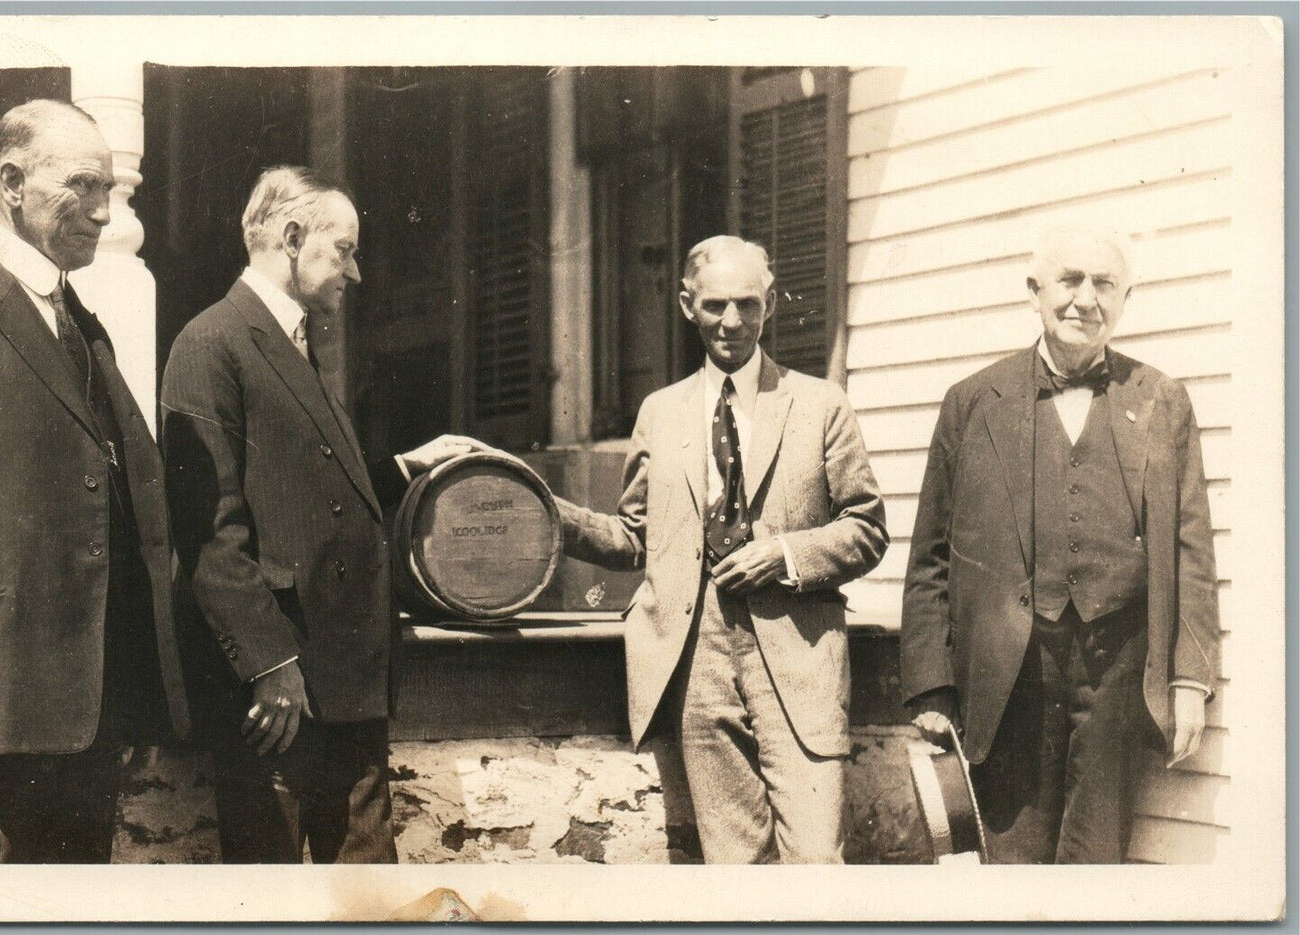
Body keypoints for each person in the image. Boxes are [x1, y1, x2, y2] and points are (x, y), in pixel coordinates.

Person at [161, 166, 484, 864]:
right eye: (345, 249)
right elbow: (209, 532)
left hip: (343, 686)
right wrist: (269, 663)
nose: (357, 272)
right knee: (272, 898)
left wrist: (402, 468)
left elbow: (303, 492)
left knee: (369, 896)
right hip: (282, 697)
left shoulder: (291, 343)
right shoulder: (210, 343)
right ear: (291, 235)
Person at [553, 235, 888, 863]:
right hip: (696, 659)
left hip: (798, 657)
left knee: (816, 863)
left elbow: (867, 529)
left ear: (769, 305)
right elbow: (636, 540)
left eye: (747, 304)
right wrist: (548, 514)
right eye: (714, 306)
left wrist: (784, 554)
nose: (731, 322)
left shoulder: (820, 404)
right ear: (686, 305)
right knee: (734, 869)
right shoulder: (661, 411)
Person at [901, 224, 1219, 864]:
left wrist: (1190, 679)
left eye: (1105, 284)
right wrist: (932, 686)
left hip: (1119, 668)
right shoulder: (971, 403)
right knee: (1010, 859)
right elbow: (930, 556)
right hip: (1008, 671)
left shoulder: (1161, 400)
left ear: (1126, 297)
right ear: (1035, 291)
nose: (1085, 299)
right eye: (1070, 281)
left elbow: (1191, 552)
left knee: (1096, 858)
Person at [0, 99, 189, 863]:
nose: (105, 213)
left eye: (109, 189)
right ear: (11, 182)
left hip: (88, 705)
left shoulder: (77, 319)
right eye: (83, 186)